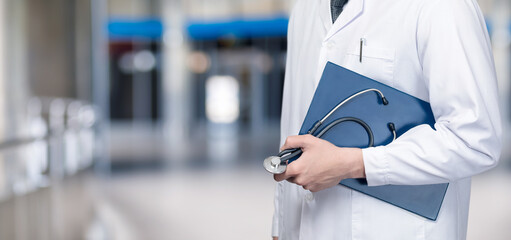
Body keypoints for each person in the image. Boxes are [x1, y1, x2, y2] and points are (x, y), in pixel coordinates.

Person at [271, 0, 502, 239]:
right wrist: (281, 227)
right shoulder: (305, 7)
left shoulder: (444, 6)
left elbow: (474, 139)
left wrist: (355, 163)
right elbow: (293, 117)